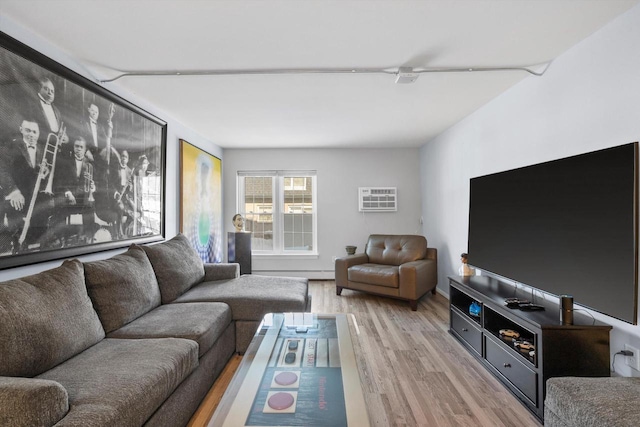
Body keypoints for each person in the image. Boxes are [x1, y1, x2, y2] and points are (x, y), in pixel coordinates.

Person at [0, 118, 52, 252]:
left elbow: (40, 173)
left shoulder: (41, 149)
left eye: (34, 132)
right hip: (18, 195)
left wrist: (45, 174)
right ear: (21, 130)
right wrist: (13, 191)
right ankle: (16, 247)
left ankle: (36, 247)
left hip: (34, 196)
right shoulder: (10, 147)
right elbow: (2, 170)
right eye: (28, 130)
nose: (31, 134)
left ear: (39, 134)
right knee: (17, 224)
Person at [55, 136, 97, 243]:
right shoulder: (66, 162)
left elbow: (94, 181)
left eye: (81, 147)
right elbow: (60, 181)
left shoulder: (89, 164)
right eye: (76, 146)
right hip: (69, 198)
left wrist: (93, 187)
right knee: (60, 208)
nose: (78, 149)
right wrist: (68, 193)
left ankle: (88, 237)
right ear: (73, 147)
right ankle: (61, 238)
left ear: (85, 149)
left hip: (83, 199)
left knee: (90, 208)